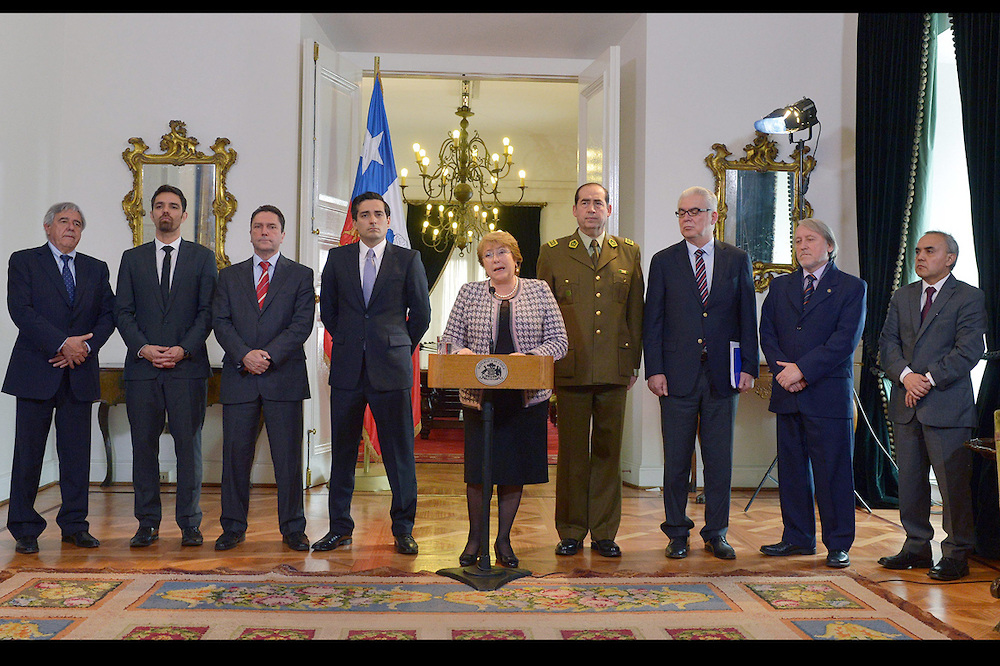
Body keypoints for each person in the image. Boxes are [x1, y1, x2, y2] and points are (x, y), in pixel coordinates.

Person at [643, 186, 758, 560]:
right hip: (675, 377)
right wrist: (654, 370)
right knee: (676, 460)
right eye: (680, 212)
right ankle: (677, 533)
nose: (686, 218)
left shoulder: (737, 259)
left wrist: (747, 368)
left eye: (694, 211)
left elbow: (746, 319)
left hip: (723, 377)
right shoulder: (663, 261)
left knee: (718, 460)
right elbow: (653, 321)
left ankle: (716, 532)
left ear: (714, 216)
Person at [441, 231, 568, 567]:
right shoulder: (469, 293)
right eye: (488, 255)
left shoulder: (539, 290)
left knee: (513, 471)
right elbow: (450, 341)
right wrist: (463, 351)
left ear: (515, 258)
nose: (495, 259)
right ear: (483, 264)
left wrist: (529, 357)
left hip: (525, 399)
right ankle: (475, 541)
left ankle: (503, 542)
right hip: (479, 398)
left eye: (501, 253)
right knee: (478, 472)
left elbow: (559, 341)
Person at [315, 191, 431, 554]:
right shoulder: (337, 258)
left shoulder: (408, 259)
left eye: (378, 214)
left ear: (388, 220)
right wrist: (352, 340)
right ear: (355, 221)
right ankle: (340, 528)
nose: (372, 220)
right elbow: (329, 312)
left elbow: (421, 315)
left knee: (400, 454)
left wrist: (395, 345)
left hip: (391, 370)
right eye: (364, 215)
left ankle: (403, 529)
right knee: (344, 452)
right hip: (348, 369)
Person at [536, 182, 644, 558]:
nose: (592, 209)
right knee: (571, 455)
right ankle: (570, 529)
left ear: (609, 210)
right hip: (570, 367)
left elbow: (635, 311)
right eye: (585, 203)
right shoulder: (552, 254)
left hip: (615, 368)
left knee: (608, 452)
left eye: (598, 203)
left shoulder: (628, 253)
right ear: (574, 210)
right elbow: (543, 315)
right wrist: (544, 365)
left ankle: (604, 532)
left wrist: (633, 363)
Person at [3, 203, 115, 554]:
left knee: (76, 454)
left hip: (78, 371)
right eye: (64, 221)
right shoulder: (24, 261)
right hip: (37, 370)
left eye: (77, 223)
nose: (71, 228)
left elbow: (108, 316)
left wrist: (82, 348)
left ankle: (74, 525)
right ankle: (24, 529)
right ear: (47, 227)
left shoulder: (96, 269)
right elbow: (21, 311)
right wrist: (61, 343)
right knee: (29, 453)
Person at [878, 231, 986, 581]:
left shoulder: (969, 297)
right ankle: (915, 547)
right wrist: (906, 377)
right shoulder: (903, 295)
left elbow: (968, 351)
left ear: (950, 258)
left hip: (946, 405)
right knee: (910, 482)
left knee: (953, 486)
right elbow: (887, 345)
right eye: (917, 250)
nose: (920, 256)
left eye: (929, 250)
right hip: (906, 404)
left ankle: (956, 554)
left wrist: (925, 381)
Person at [758, 218, 866, 568]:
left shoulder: (852, 288)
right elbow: (767, 334)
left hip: (827, 394)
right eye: (798, 240)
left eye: (811, 239)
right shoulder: (780, 287)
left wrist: (802, 370)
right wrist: (783, 372)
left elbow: (844, 342)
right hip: (788, 392)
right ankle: (797, 538)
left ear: (829, 246)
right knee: (791, 471)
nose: (803, 245)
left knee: (833, 472)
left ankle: (838, 543)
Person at [115, 184, 218, 548]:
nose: (166, 212)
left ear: (184, 215)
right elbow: (122, 311)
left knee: (188, 447)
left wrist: (183, 349)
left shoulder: (203, 258)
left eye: (173, 206)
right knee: (143, 447)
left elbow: (208, 312)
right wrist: (143, 348)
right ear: (151, 213)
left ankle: (190, 523)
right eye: (159, 206)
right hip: (142, 369)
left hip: (186, 369)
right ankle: (147, 523)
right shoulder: (132, 258)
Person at [211, 205, 315, 552]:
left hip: (282, 377)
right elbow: (220, 322)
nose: (265, 232)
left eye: (272, 227)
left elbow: (301, 325)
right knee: (235, 458)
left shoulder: (301, 275)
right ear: (251, 233)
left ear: (282, 234)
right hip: (240, 377)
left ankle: (293, 529)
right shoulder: (228, 276)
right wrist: (245, 355)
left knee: (288, 459)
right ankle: (233, 527)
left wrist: (266, 356)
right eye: (258, 227)